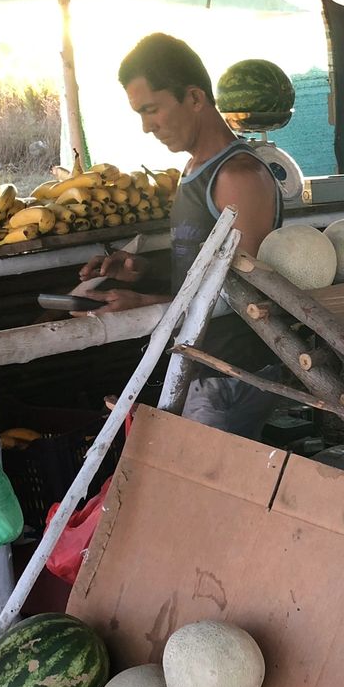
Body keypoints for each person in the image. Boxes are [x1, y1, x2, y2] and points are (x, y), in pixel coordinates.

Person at [76, 33, 283, 437]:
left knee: (206, 494)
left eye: (151, 110)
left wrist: (145, 304)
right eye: (139, 113)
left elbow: (247, 294)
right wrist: (143, 271)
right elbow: (202, 265)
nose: (146, 126)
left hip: (231, 373)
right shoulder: (194, 170)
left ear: (193, 97)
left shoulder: (239, 176)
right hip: (198, 363)